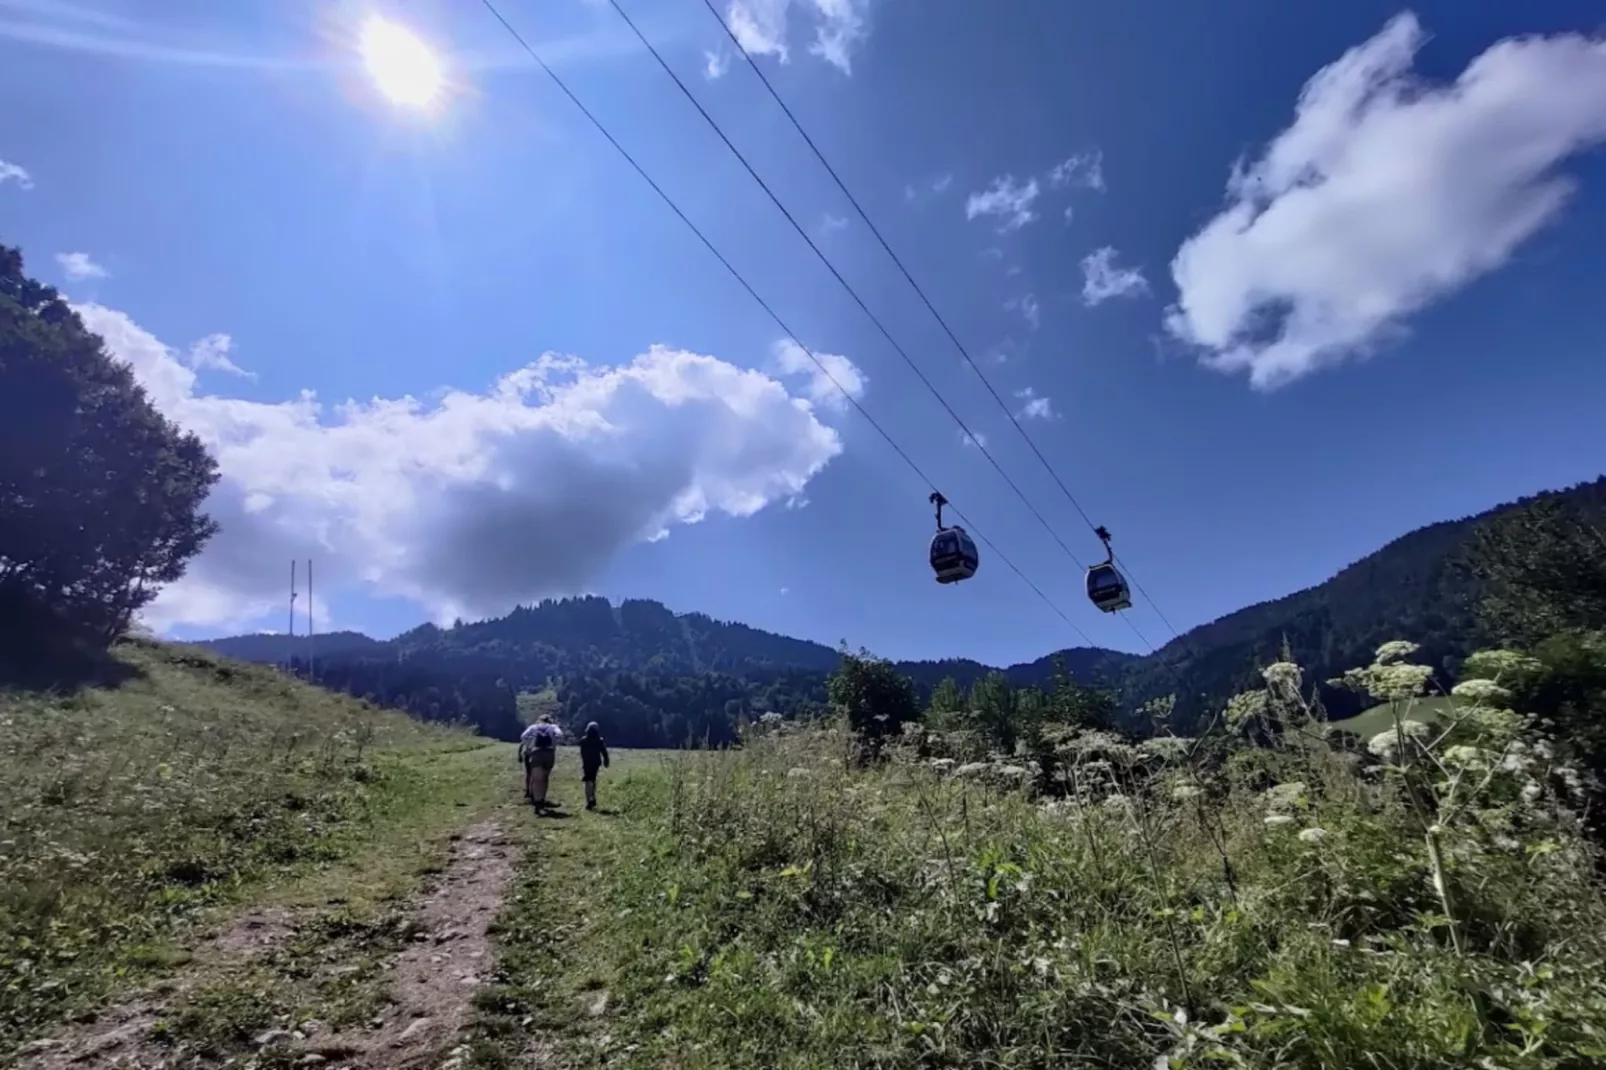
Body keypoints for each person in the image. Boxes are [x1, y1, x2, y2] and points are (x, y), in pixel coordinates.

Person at [518, 715, 564, 807]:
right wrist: (554, 743)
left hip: (536, 753)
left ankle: (537, 800)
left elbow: (523, 737)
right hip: (549, 754)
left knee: (536, 779)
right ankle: (542, 798)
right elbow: (560, 736)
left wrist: (530, 746)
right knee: (545, 778)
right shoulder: (553, 727)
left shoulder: (534, 727)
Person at [578, 721, 610, 811]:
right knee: (592, 780)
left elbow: (582, 752)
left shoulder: (583, 740)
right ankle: (592, 797)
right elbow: (604, 752)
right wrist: (606, 761)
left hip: (586, 763)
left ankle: (589, 800)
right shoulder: (599, 740)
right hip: (595, 763)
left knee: (588, 781)